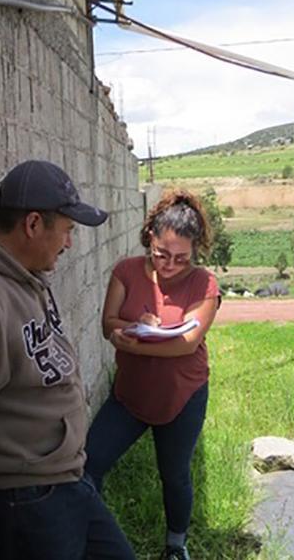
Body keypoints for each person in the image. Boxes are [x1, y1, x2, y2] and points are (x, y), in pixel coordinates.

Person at [0, 160, 135, 560]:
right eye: (67, 230)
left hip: (61, 480)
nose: (70, 243)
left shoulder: (24, 276)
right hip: (21, 495)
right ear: (33, 224)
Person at [84, 190, 220, 560]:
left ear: (194, 252)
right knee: (89, 462)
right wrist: (132, 325)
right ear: (149, 239)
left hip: (182, 394)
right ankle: (91, 537)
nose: (170, 265)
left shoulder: (204, 284)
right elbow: (106, 323)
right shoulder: (126, 271)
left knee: (174, 474)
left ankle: (176, 546)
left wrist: (127, 341)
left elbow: (187, 343)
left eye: (181, 258)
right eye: (161, 254)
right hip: (130, 395)